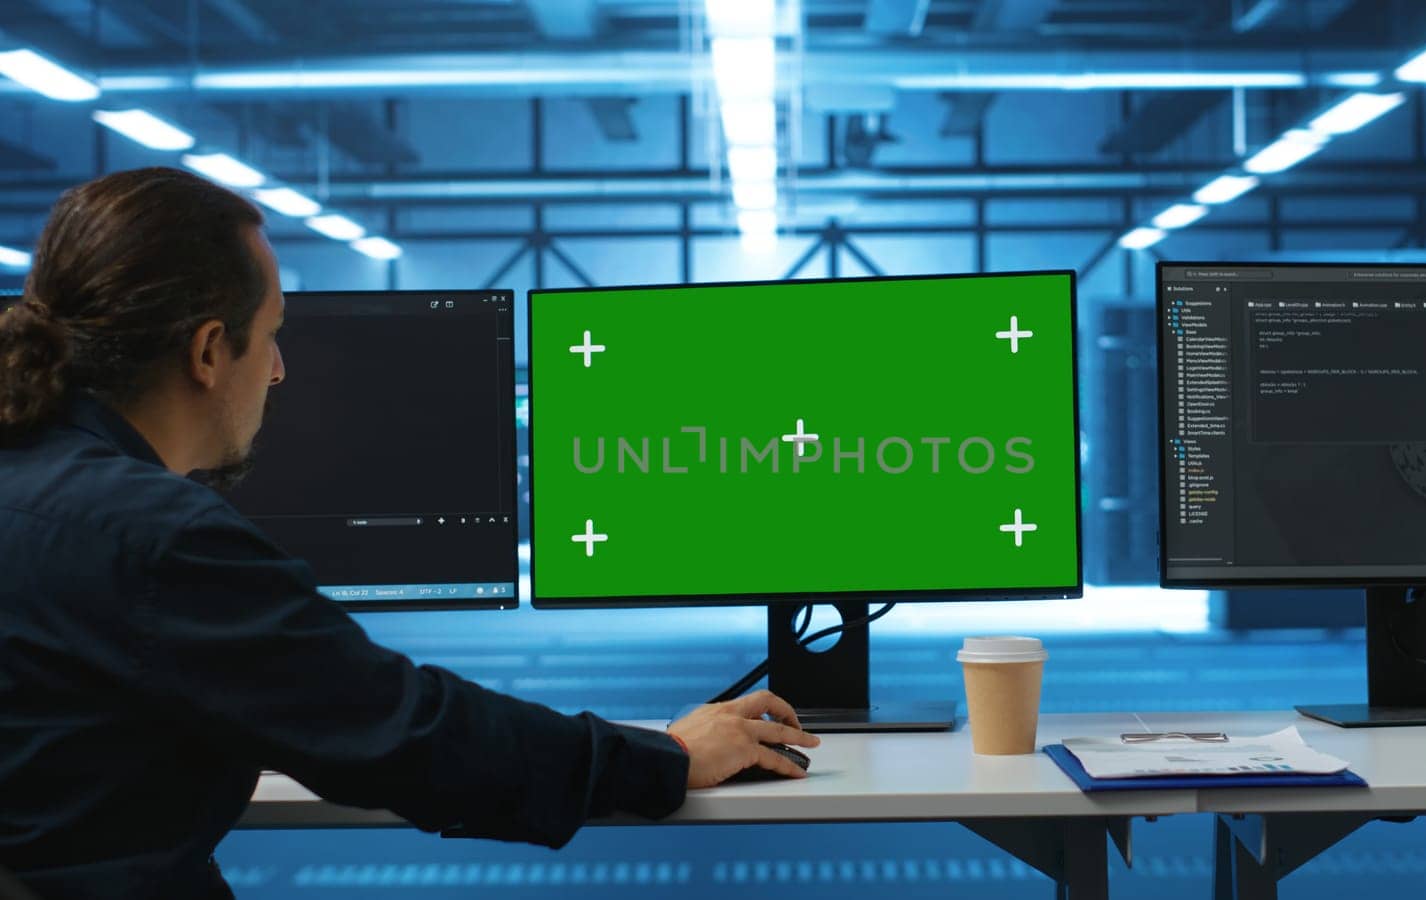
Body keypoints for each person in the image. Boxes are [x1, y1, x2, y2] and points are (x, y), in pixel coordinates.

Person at [0, 167, 819, 900]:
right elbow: (408, 736)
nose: (279, 370)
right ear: (210, 350)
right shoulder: (153, 541)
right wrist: (665, 758)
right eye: (275, 331)